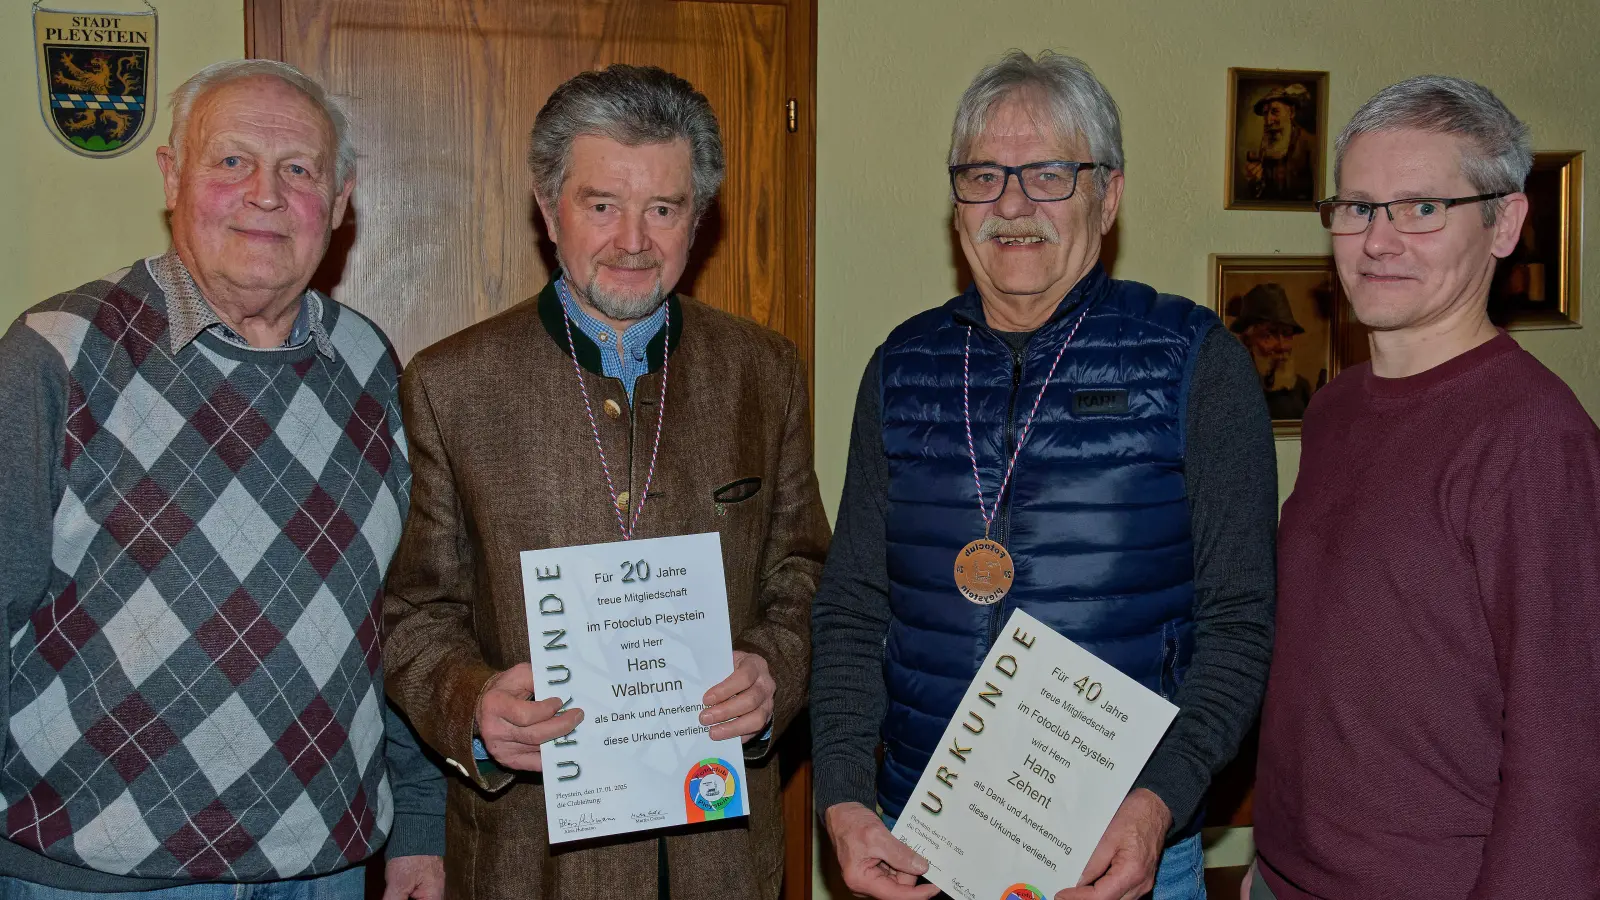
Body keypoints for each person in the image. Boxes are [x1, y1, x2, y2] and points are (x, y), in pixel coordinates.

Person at [811, 50, 1277, 900]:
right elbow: (851, 609)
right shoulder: (901, 366)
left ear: (1109, 194)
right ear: (956, 203)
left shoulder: (1196, 363)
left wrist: (1159, 802)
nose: (1013, 204)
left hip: (1119, 856)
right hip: (918, 850)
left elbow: (1242, 624)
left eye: (1050, 174)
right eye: (984, 175)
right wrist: (841, 796)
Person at [381, 64, 829, 900]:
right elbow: (414, 613)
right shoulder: (451, 384)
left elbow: (802, 573)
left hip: (721, 860)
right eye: (602, 206)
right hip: (530, 858)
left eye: (663, 209)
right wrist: (470, 703)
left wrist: (775, 669)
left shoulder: (764, 372)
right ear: (549, 209)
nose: (634, 240)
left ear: (698, 218)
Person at [0, 60, 444, 898]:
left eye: (298, 170)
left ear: (340, 201)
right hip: (91, 875)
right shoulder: (57, 353)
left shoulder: (371, 366)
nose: (265, 195)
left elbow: (392, 615)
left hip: (325, 867)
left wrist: (420, 824)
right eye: (231, 161)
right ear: (173, 178)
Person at [1246, 75, 1600, 900]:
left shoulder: (1535, 440)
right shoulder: (1335, 411)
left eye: (1422, 209)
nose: (1378, 240)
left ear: (1504, 223)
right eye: (1359, 207)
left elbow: (1567, 744)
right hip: (1287, 876)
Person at [1230, 283, 1312, 419]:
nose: (1281, 346)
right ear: (1248, 341)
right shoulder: (1235, 390)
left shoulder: (1302, 389)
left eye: (1286, 334)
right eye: (1269, 335)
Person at [1241, 84, 1316, 202]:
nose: (1268, 121)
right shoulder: (1266, 147)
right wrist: (1255, 182)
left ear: (1291, 113)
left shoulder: (1312, 145)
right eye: (1265, 113)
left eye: (1275, 111)